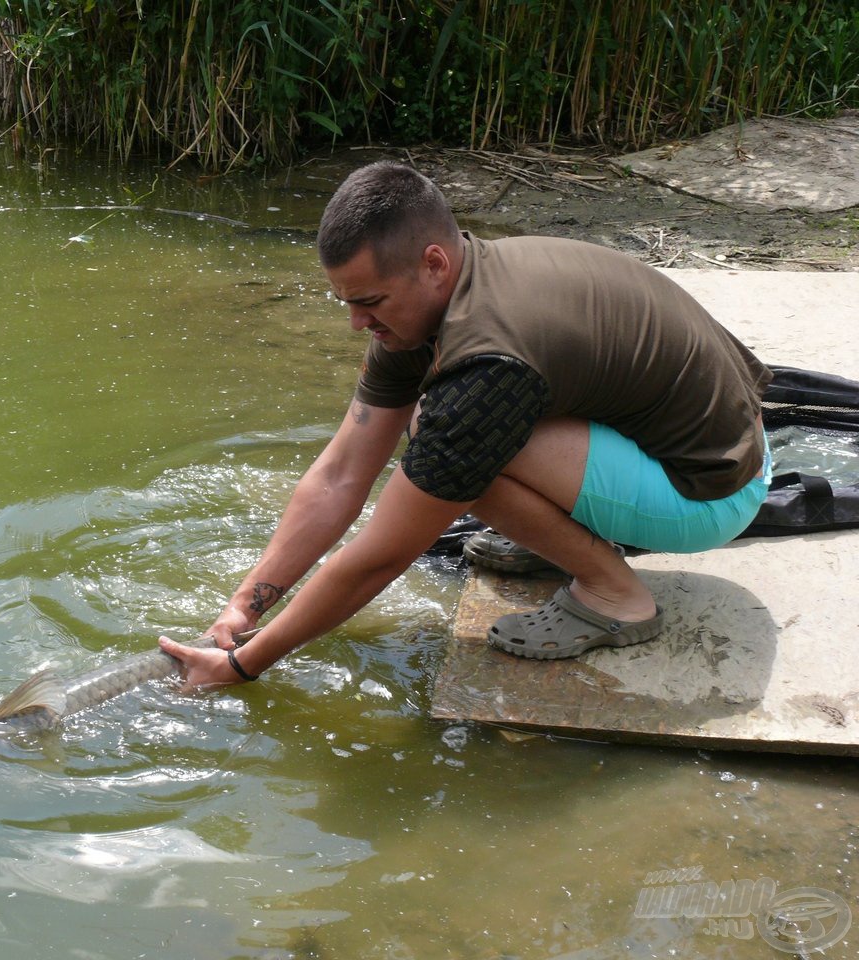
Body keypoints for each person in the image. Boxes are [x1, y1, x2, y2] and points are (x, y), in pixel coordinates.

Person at [160, 160, 771, 688]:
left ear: (432, 263)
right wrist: (247, 602)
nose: (355, 324)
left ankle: (616, 594)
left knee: (447, 444)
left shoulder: (489, 360)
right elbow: (342, 474)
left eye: (368, 303)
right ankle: (565, 537)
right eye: (345, 302)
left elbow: (382, 554)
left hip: (712, 489)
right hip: (703, 433)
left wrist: (245, 665)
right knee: (452, 441)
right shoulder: (441, 294)